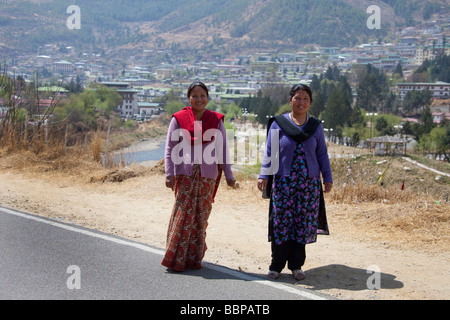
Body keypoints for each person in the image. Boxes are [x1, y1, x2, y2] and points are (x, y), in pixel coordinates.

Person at [257, 84, 333, 281]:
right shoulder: (278, 124)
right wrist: (264, 175)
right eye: (297, 98)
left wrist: (328, 178)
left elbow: (322, 154)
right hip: (283, 183)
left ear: (310, 102)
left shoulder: (315, 126)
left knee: (301, 224)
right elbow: (270, 152)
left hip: (308, 185)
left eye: (305, 99)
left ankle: (297, 265)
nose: (301, 102)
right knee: (281, 224)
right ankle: (276, 265)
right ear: (290, 100)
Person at [162, 81, 235, 272]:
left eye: (202, 95)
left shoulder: (216, 120)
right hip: (184, 175)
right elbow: (170, 147)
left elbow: (222, 149)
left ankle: (194, 258)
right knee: (182, 214)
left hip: (207, 177)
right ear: (189, 98)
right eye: (195, 96)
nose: (199, 99)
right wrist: (169, 173)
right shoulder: (178, 119)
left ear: (207, 98)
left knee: (200, 217)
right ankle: (175, 257)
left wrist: (228, 174)